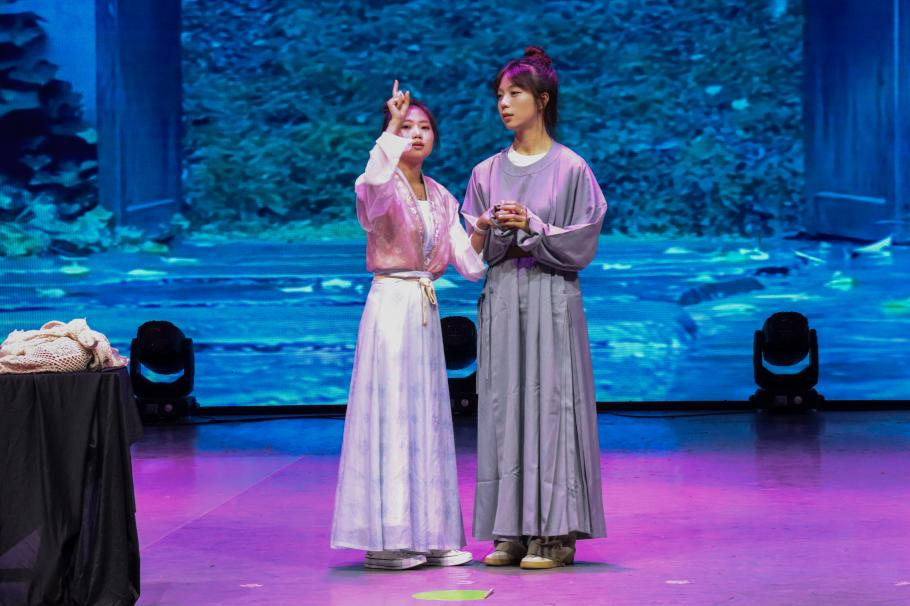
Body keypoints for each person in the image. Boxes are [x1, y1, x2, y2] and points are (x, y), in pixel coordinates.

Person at [462, 46, 608, 570]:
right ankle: (510, 530)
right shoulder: (485, 172)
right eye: (500, 95)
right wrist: (492, 227)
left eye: (515, 94)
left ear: (542, 100)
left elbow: (582, 242)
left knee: (550, 406)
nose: (504, 103)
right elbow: (473, 249)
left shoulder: (571, 168)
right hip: (504, 295)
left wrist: (534, 225)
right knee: (504, 407)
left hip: (550, 295)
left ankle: (554, 532)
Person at [331, 81, 485, 570]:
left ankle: (431, 532)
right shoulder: (378, 185)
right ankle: (388, 538)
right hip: (391, 303)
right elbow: (373, 182)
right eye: (405, 127)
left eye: (423, 127)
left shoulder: (440, 195)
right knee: (392, 413)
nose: (416, 134)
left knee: (428, 416)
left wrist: (482, 229)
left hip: (423, 305)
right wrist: (391, 130)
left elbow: (470, 265)